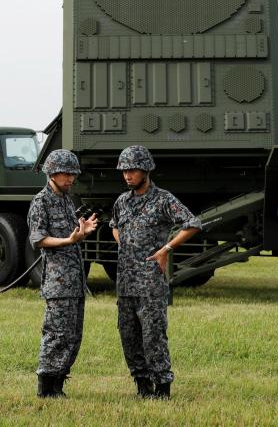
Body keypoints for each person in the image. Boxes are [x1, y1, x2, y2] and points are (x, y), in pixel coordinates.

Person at [110, 145, 202, 399]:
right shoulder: (122, 201)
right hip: (125, 282)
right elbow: (114, 225)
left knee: (153, 336)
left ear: (146, 170)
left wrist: (167, 248)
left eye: (133, 170)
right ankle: (142, 386)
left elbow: (192, 223)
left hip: (150, 283)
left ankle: (162, 388)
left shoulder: (163, 199)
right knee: (128, 336)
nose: (127, 175)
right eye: (124, 170)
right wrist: (124, 243)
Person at [27, 149, 98, 398]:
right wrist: (69, 240)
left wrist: (81, 231)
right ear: (52, 174)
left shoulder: (67, 200)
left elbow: (71, 236)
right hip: (58, 283)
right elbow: (38, 239)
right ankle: (46, 387)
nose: (70, 179)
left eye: (73, 174)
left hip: (75, 281)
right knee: (56, 334)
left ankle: (58, 384)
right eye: (66, 174)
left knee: (73, 336)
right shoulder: (41, 202)